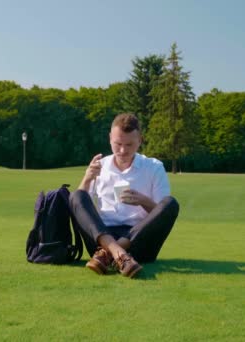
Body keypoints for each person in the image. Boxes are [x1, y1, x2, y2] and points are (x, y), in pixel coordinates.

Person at [69, 113, 179, 278]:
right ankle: (118, 253)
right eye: (118, 144)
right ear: (110, 139)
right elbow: (79, 206)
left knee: (170, 203)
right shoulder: (101, 166)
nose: (122, 150)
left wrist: (143, 201)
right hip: (102, 237)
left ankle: (110, 254)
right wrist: (87, 178)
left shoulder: (154, 167)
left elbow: (162, 214)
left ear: (140, 140)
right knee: (77, 195)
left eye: (129, 145)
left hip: (140, 242)